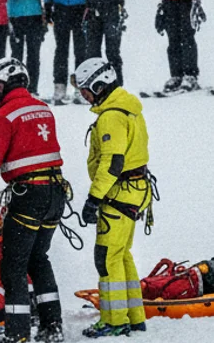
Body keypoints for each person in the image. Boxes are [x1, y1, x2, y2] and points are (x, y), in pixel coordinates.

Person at [0, 57, 66, 343]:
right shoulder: (43, 109)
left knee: (13, 267)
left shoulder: (3, 116)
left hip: (29, 195)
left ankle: (17, 334)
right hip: (56, 193)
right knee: (39, 260)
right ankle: (52, 326)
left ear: (0, 85)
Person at [72, 57, 150, 338]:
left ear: (99, 84)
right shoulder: (128, 109)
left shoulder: (112, 116)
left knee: (106, 259)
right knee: (122, 255)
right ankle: (134, 316)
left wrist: (93, 198)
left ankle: (115, 320)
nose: (83, 96)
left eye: (85, 90)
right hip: (134, 192)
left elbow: (112, 163)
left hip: (119, 194)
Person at [4, 0, 46, 96]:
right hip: (16, 18)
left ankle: (32, 88)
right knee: (17, 56)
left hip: (34, 16)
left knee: (34, 55)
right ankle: (17, 87)